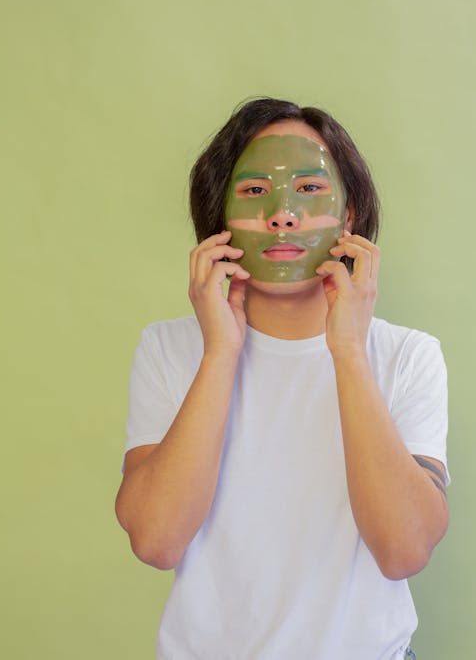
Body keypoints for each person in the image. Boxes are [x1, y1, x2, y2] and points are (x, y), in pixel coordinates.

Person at [115, 98, 449, 660]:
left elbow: (404, 549)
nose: (283, 215)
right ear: (219, 217)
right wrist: (220, 351)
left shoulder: (407, 356)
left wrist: (347, 349)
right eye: (252, 191)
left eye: (311, 189)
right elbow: (156, 540)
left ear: (350, 216)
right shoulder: (170, 349)